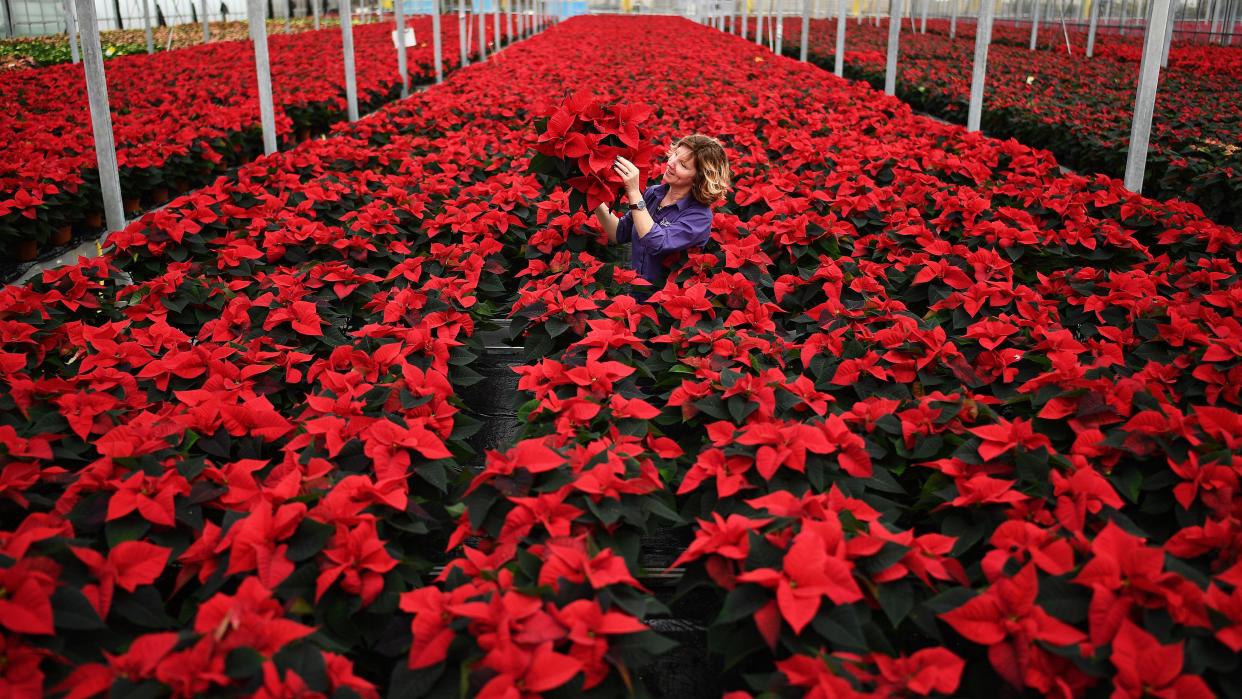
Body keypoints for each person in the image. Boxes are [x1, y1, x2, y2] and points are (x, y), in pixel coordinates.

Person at [593, 134, 731, 302]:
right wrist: (593, 198)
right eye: (675, 155)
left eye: (683, 165)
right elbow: (619, 232)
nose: (671, 163)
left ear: (698, 179)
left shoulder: (699, 216)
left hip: (664, 305)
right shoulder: (654, 193)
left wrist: (634, 192)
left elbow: (656, 242)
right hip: (634, 292)